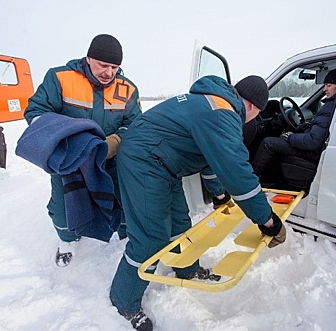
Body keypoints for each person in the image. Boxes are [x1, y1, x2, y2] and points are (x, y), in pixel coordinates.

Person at [109, 75, 286, 331]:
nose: (254, 119)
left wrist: (220, 195)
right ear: (251, 106)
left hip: (163, 163)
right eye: (257, 114)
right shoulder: (221, 113)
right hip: (144, 161)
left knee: (181, 224)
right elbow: (237, 172)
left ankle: (186, 270)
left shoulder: (213, 102)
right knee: (150, 238)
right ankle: (123, 301)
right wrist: (267, 220)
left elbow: (211, 159)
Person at [23, 34, 141, 266]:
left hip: (111, 160)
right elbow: (36, 112)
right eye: (103, 65)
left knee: (122, 200)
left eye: (115, 67)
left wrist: (115, 142)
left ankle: (125, 236)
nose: (109, 72)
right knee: (63, 205)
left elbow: (136, 123)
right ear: (88, 59)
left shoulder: (127, 89)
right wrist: (67, 141)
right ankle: (68, 240)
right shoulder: (60, 78)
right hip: (69, 160)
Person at [251, 67, 336, 178]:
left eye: (329, 85)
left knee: (268, 143)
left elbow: (313, 141)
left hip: (313, 152)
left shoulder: (329, 107)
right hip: (317, 150)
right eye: (324, 85)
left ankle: (250, 178)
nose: (325, 89)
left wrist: (290, 137)